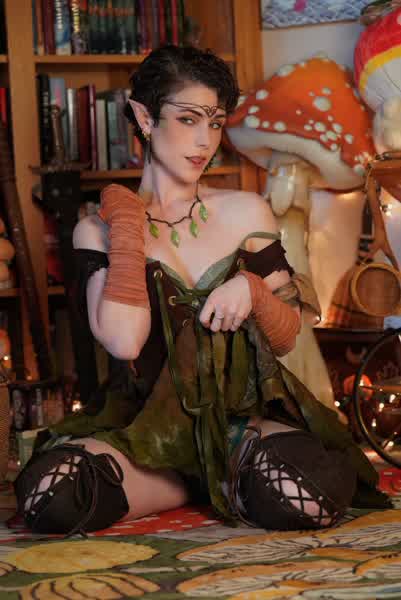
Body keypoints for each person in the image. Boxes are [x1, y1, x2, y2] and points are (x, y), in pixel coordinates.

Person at [14, 45, 390, 536]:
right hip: (143, 431)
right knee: (50, 496)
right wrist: (126, 222)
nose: (204, 140)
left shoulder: (245, 211)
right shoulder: (98, 229)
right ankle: (190, 481)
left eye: (214, 122)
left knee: (309, 496)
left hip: (239, 423)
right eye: (188, 119)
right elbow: (125, 341)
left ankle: (210, 473)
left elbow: (286, 337)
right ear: (144, 117)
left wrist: (252, 290)